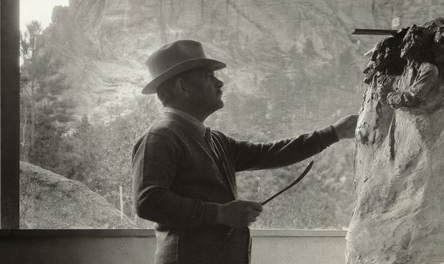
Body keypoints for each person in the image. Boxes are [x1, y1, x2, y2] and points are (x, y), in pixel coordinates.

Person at [132, 40, 358, 264]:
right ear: (183, 87)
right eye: (209, 77)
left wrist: (333, 133)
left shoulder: (214, 140)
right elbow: (148, 201)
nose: (220, 83)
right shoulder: (160, 137)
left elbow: (270, 153)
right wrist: (221, 214)